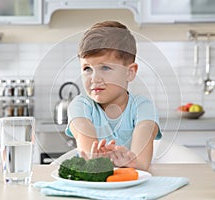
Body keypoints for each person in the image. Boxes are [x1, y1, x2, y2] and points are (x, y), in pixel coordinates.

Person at [65, 21, 162, 171]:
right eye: (87, 69)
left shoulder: (143, 107)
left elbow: (141, 165)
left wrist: (131, 163)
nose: (94, 78)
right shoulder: (80, 106)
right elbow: (89, 152)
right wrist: (97, 160)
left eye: (105, 68)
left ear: (130, 72)